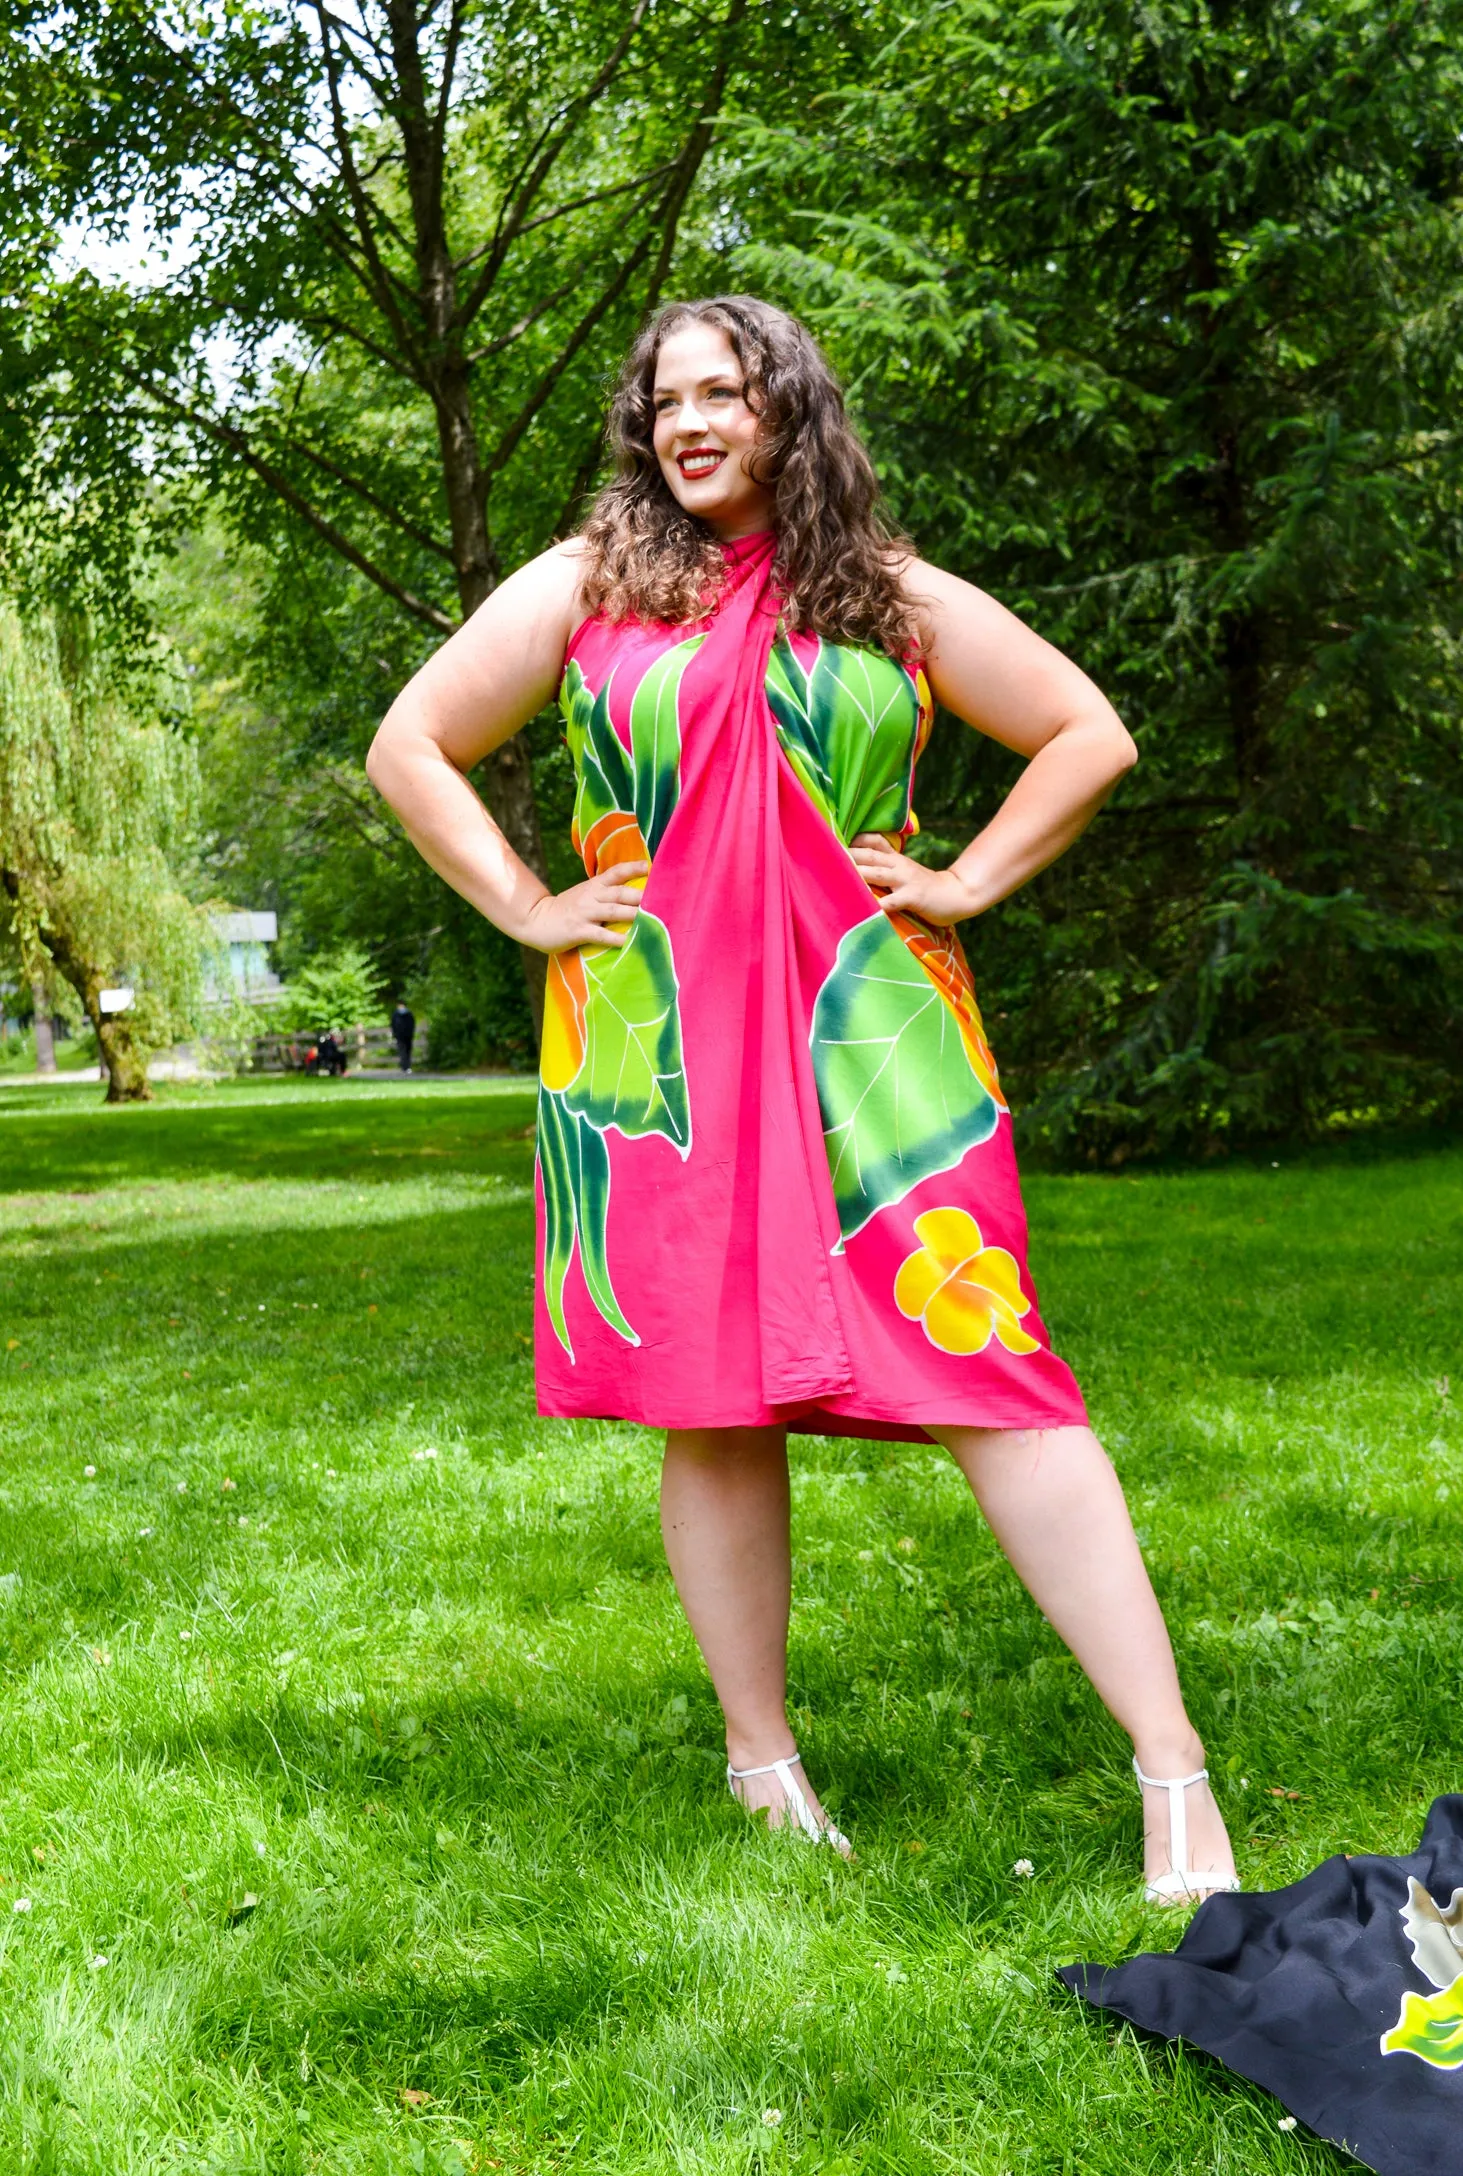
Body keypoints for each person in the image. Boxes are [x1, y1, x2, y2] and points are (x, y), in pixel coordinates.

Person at [367, 294, 1238, 1902]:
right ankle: (760, 1765)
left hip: (874, 1034)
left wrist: (963, 882)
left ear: (789, 412)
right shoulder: (588, 583)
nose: (691, 421)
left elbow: (1083, 733)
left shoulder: (880, 589)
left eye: (725, 392)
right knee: (706, 1399)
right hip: (656, 1043)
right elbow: (411, 741)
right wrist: (525, 906)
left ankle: (1172, 1772)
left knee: (995, 1375)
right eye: (665, 398)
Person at [390, 998, 416, 1074]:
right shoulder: (409, 1014)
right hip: (407, 1036)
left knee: (402, 1051)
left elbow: (393, 1025)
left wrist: (395, 1034)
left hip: (401, 1036)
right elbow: (412, 1025)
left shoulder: (396, 1014)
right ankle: (407, 1067)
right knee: (407, 1051)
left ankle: (404, 1067)